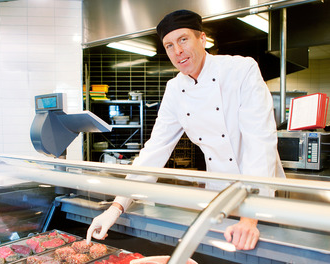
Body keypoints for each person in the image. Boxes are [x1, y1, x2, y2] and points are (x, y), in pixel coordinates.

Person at [86, 9, 285, 251]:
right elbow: (155, 151)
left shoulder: (241, 70)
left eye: (183, 39)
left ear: (202, 39)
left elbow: (259, 143)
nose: (177, 51)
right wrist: (116, 207)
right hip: (220, 194)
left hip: (260, 195)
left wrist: (249, 218)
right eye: (169, 45)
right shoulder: (174, 89)